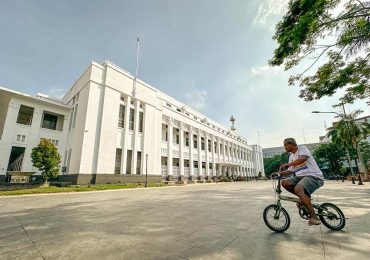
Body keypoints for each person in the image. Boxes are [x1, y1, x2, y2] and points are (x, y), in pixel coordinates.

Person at [279, 138, 324, 226]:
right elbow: (290, 171)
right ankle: (304, 197)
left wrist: (288, 164)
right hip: (300, 177)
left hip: (314, 176)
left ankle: (314, 217)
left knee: (298, 188)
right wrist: (279, 173)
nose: (284, 147)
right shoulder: (291, 157)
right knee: (284, 182)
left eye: (285, 145)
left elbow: (303, 158)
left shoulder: (302, 149)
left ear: (292, 144)